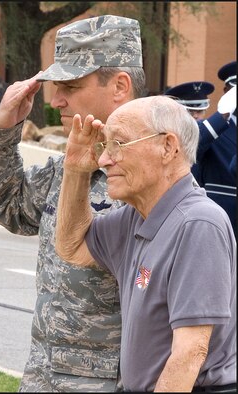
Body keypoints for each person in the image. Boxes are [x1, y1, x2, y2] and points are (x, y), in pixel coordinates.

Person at [0, 15, 146, 392]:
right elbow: (7, 204)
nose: (56, 99)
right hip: (44, 374)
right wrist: (1, 129)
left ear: (120, 86)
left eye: (71, 86)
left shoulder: (154, 174)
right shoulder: (70, 166)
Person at [55, 95, 236, 393]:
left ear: (167, 146)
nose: (103, 159)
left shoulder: (198, 224)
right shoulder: (136, 217)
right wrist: (75, 169)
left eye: (119, 144)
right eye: (104, 145)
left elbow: (190, 354)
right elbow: (71, 247)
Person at [191, 62, 237, 239]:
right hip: (219, 231)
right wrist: (223, 113)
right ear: (227, 92)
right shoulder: (213, 129)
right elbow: (190, 147)